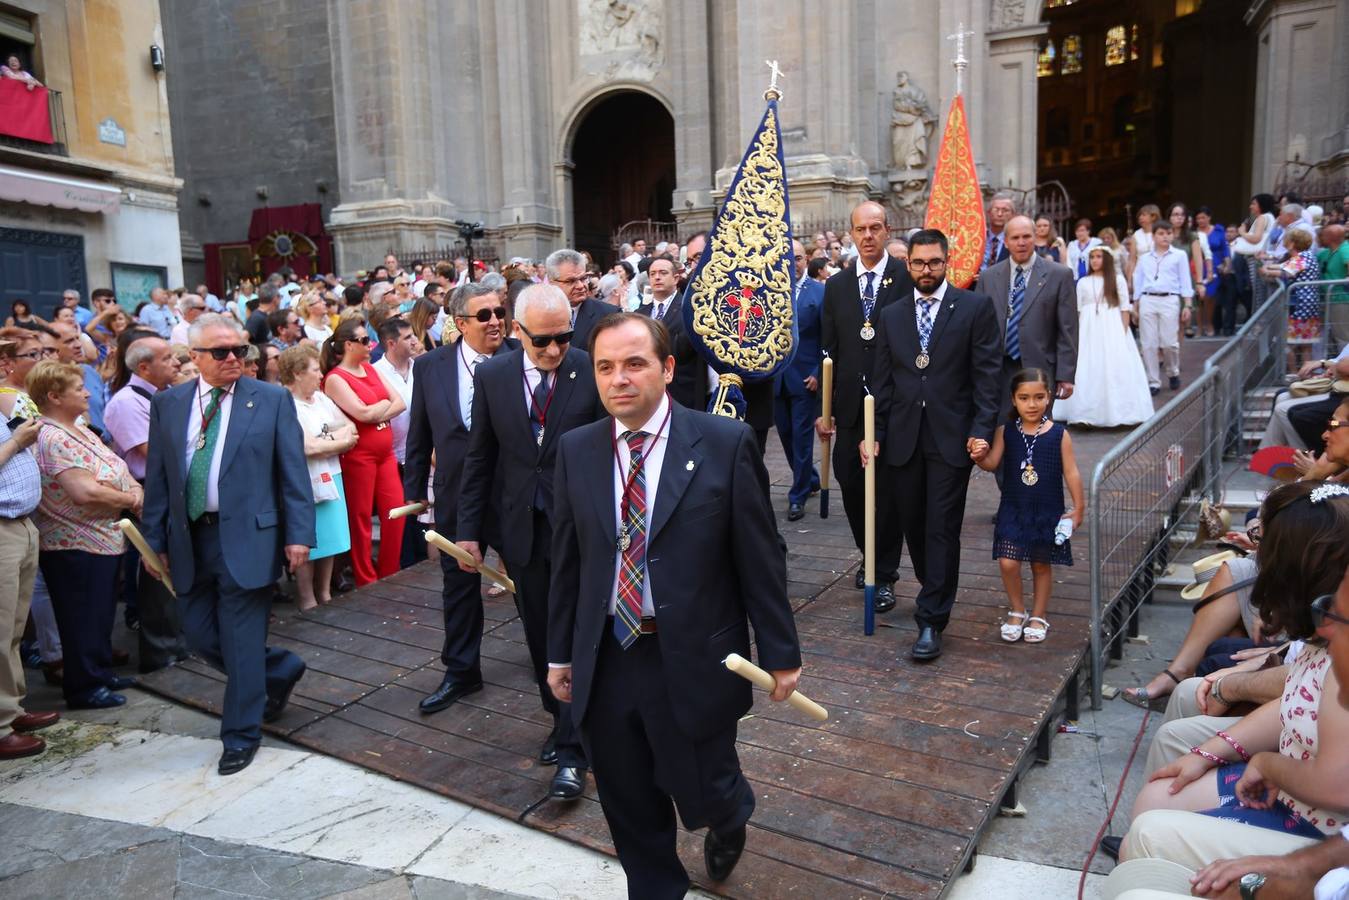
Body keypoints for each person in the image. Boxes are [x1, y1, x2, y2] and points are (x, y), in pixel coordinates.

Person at [546, 312, 802, 897]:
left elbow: (760, 559)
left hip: (693, 655)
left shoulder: (722, 443)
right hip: (607, 655)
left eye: (634, 364)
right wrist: (560, 653)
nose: (618, 379)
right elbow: (569, 564)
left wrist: (781, 652)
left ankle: (730, 811)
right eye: (605, 367)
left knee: (704, 784)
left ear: (666, 369)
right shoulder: (577, 450)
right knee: (628, 797)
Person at [1107, 561, 1349, 899]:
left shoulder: (1336, 669)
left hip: (1312, 820)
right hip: (1298, 808)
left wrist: (1254, 885)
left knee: (1146, 840)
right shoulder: (1323, 653)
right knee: (1160, 792)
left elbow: (1335, 789)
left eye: (1336, 615)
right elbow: (1295, 701)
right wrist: (1207, 752)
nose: (1326, 628)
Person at [141, 314, 313, 775]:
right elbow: (160, 479)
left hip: (250, 537)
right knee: (198, 635)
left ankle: (240, 735)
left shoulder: (271, 400)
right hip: (190, 539)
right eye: (222, 352)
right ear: (194, 357)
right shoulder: (170, 404)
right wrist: (153, 540)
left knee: (240, 641)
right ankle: (278, 669)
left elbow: (292, 472)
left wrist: (299, 535)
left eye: (241, 349)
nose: (235, 358)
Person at [455, 283, 604, 801]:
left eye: (564, 337)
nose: (555, 350)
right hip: (523, 529)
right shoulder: (493, 375)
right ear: (517, 333)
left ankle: (573, 744)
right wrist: (469, 531)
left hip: (586, 528)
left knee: (586, 627)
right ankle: (563, 719)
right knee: (541, 633)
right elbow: (481, 458)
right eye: (542, 341)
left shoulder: (591, 369)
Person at [867, 229, 1002, 660]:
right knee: (914, 524)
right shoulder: (892, 315)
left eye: (934, 263)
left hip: (952, 438)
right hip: (904, 439)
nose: (927, 270)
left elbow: (987, 376)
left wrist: (982, 429)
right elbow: (884, 382)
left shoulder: (974, 308)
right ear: (908, 265)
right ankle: (934, 585)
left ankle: (931, 619)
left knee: (941, 526)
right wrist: (876, 437)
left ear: (947, 262)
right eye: (919, 263)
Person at [402, 281, 513, 715]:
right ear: (460, 322)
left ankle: (552, 667)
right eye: (484, 315)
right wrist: (416, 494)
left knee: (530, 585)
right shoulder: (431, 367)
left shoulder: (518, 359)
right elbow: (419, 433)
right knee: (458, 586)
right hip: (452, 497)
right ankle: (462, 671)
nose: (495, 322)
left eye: (499, 313)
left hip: (508, 496)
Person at [816, 201, 913, 610]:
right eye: (861, 229)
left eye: (876, 228)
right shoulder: (836, 287)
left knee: (887, 492)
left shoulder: (904, 279)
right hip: (852, 406)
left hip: (892, 405)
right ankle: (867, 552)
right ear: (852, 234)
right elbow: (830, 348)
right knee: (852, 484)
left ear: (887, 230)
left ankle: (885, 572)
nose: (869, 236)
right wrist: (827, 407)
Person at [28, 361, 142, 710]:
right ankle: (84, 686)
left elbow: (112, 468)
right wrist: (131, 499)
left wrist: (130, 490)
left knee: (100, 612)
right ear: (54, 396)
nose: (88, 391)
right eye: (79, 388)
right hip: (74, 542)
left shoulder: (79, 428)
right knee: (81, 616)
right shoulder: (52, 436)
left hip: (101, 537)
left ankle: (99, 672)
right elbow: (85, 492)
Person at [970, 369, 1084, 643]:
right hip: (1013, 508)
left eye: (1038, 397)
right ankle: (1018, 609)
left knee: (1041, 564)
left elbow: (1072, 473)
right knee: (1009, 562)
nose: (1031, 404)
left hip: (1046, 510)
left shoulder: (1058, 435)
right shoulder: (1005, 432)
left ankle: (1038, 614)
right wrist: (978, 456)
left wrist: (1079, 508)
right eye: (1024, 398)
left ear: (1048, 399)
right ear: (1013, 400)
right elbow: (992, 464)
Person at [102, 336, 188, 673]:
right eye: (167, 359)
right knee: (156, 569)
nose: (176, 364)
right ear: (143, 367)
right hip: (148, 491)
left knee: (176, 569)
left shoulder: (162, 396)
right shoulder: (126, 403)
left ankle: (178, 641)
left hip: (170, 487)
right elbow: (152, 453)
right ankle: (160, 651)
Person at [321, 318, 406, 586]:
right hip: (359, 457)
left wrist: (376, 409)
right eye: (362, 340)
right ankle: (365, 578)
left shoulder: (369, 368)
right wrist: (381, 407)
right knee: (360, 520)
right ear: (348, 345)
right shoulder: (335, 378)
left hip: (385, 454)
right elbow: (361, 413)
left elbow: (399, 403)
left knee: (396, 514)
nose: (370, 344)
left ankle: (389, 572)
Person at [0, 366, 57, 761]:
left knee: (15, 629)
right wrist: (17, 440)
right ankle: (1, 726)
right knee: (1, 632)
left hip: (20, 523)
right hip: (3, 528)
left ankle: (12, 709)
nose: (5, 365)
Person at [974, 214, 1079, 425]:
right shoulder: (988, 277)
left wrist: (1066, 375)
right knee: (1002, 428)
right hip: (999, 367)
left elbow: (1067, 328)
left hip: (1039, 365)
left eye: (1026, 236)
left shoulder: (1059, 275)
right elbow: (979, 325)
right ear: (1006, 241)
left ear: (1036, 237)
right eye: (1015, 238)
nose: (1021, 242)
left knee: (1036, 429)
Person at [278, 346, 354, 611]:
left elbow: (351, 430)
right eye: (314, 370)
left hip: (331, 473)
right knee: (308, 541)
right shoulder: (285, 403)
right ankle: (307, 597)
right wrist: (337, 440)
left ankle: (324, 592)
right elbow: (305, 448)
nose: (321, 374)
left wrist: (326, 441)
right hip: (305, 480)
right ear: (298, 373)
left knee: (332, 537)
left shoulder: (321, 399)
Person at [1052, 247, 1153, 426]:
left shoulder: (1117, 280)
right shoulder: (1083, 282)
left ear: (1106, 260)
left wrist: (1121, 333)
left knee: (1114, 367)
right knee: (1089, 366)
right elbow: (1078, 310)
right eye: (1092, 257)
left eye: (1099, 257)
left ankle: (1119, 413)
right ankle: (1085, 413)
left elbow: (1124, 308)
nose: (1095, 261)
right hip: (1089, 329)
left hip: (1112, 328)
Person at [774, 239, 823, 521]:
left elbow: (828, 337)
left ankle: (798, 495)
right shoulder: (772, 292)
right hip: (778, 379)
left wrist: (818, 372)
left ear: (806, 260)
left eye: (797, 258)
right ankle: (810, 478)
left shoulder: (819, 293)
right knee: (786, 436)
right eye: (786, 259)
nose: (792, 264)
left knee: (802, 438)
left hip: (806, 379)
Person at [370, 317, 422, 569]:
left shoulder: (421, 366)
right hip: (393, 456)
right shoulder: (376, 373)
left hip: (421, 454)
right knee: (400, 519)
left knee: (422, 514)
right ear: (391, 343)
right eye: (407, 337)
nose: (414, 340)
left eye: (413, 335)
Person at [1132, 221, 1194, 395]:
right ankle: (1153, 381)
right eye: (1161, 233)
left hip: (1170, 299)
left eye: (1168, 233)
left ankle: (1173, 371)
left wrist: (1187, 305)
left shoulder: (1179, 255)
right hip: (1147, 299)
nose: (1165, 236)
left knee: (1169, 343)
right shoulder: (1144, 258)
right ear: (1153, 236)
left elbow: (1185, 281)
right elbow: (1138, 282)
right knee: (1148, 344)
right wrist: (1135, 306)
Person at [548, 249, 610, 352]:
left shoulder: (608, 315)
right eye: (571, 281)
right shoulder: (539, 314)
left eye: (583, 278)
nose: (581, 286)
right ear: (552, 282)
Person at [981, 193, 1016, 271]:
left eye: (1005, 210)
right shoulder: (978, 238)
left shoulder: (1016, 241)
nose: (1000, 214)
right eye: (996, 209)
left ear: (1013, 214)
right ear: (988, 213)